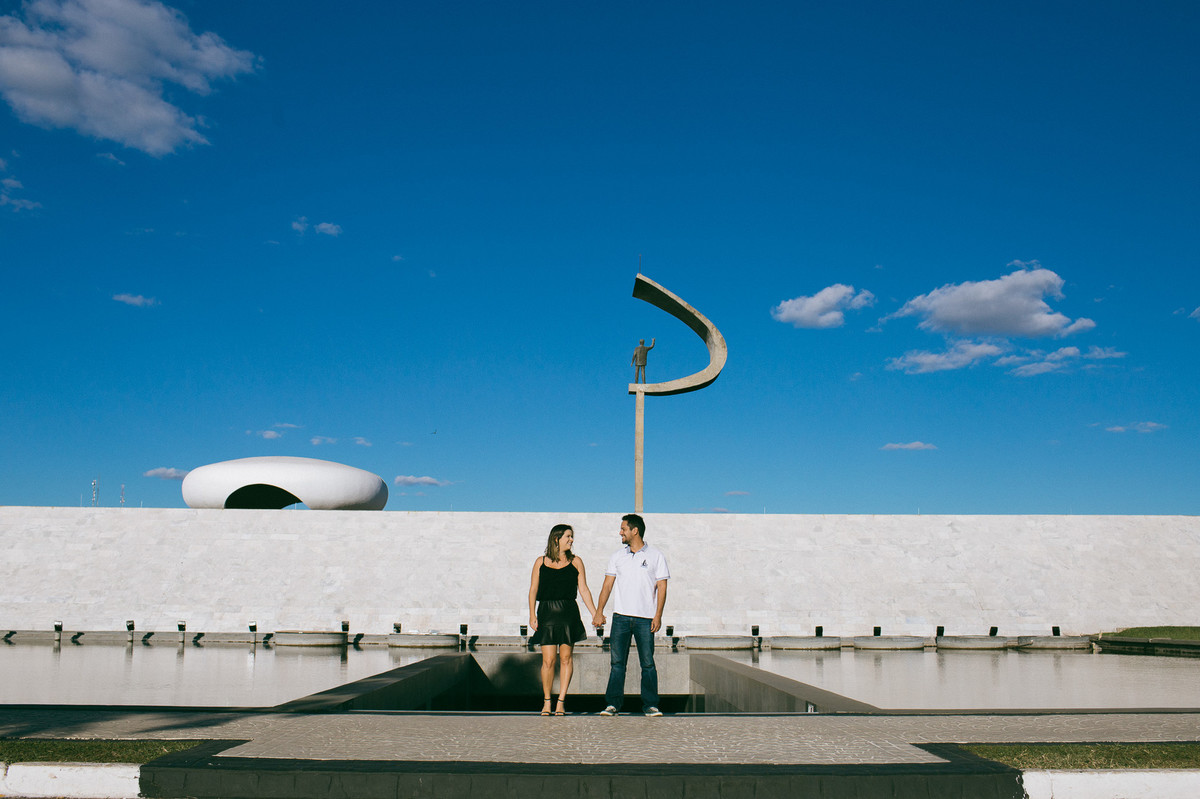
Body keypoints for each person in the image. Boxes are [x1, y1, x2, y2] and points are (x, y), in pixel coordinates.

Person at [592, 513, 669, 716]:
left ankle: (651, 705)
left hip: (645, 619)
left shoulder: (656, 556)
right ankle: (613, 704)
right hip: (621, 618)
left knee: (648, 664)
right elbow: (607, 585)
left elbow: (662, 586)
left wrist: (658, 615)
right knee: (617, 664)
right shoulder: (617, 556)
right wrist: (599, 611)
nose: (620, 532)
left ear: (635, 530)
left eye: (623, 528)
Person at [527, 524, 600, 716]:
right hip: (546, 613)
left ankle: (561, 702)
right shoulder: (540, 562)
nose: (571, 540)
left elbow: (583, 589)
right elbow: (533, 590)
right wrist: (532, 614)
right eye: (568, 536)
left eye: (572, 536)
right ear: (556, 539)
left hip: (568, 613)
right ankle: (546, 702)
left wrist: (595, 613)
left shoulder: (576, 562)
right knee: (548, 660)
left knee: (566, 658)